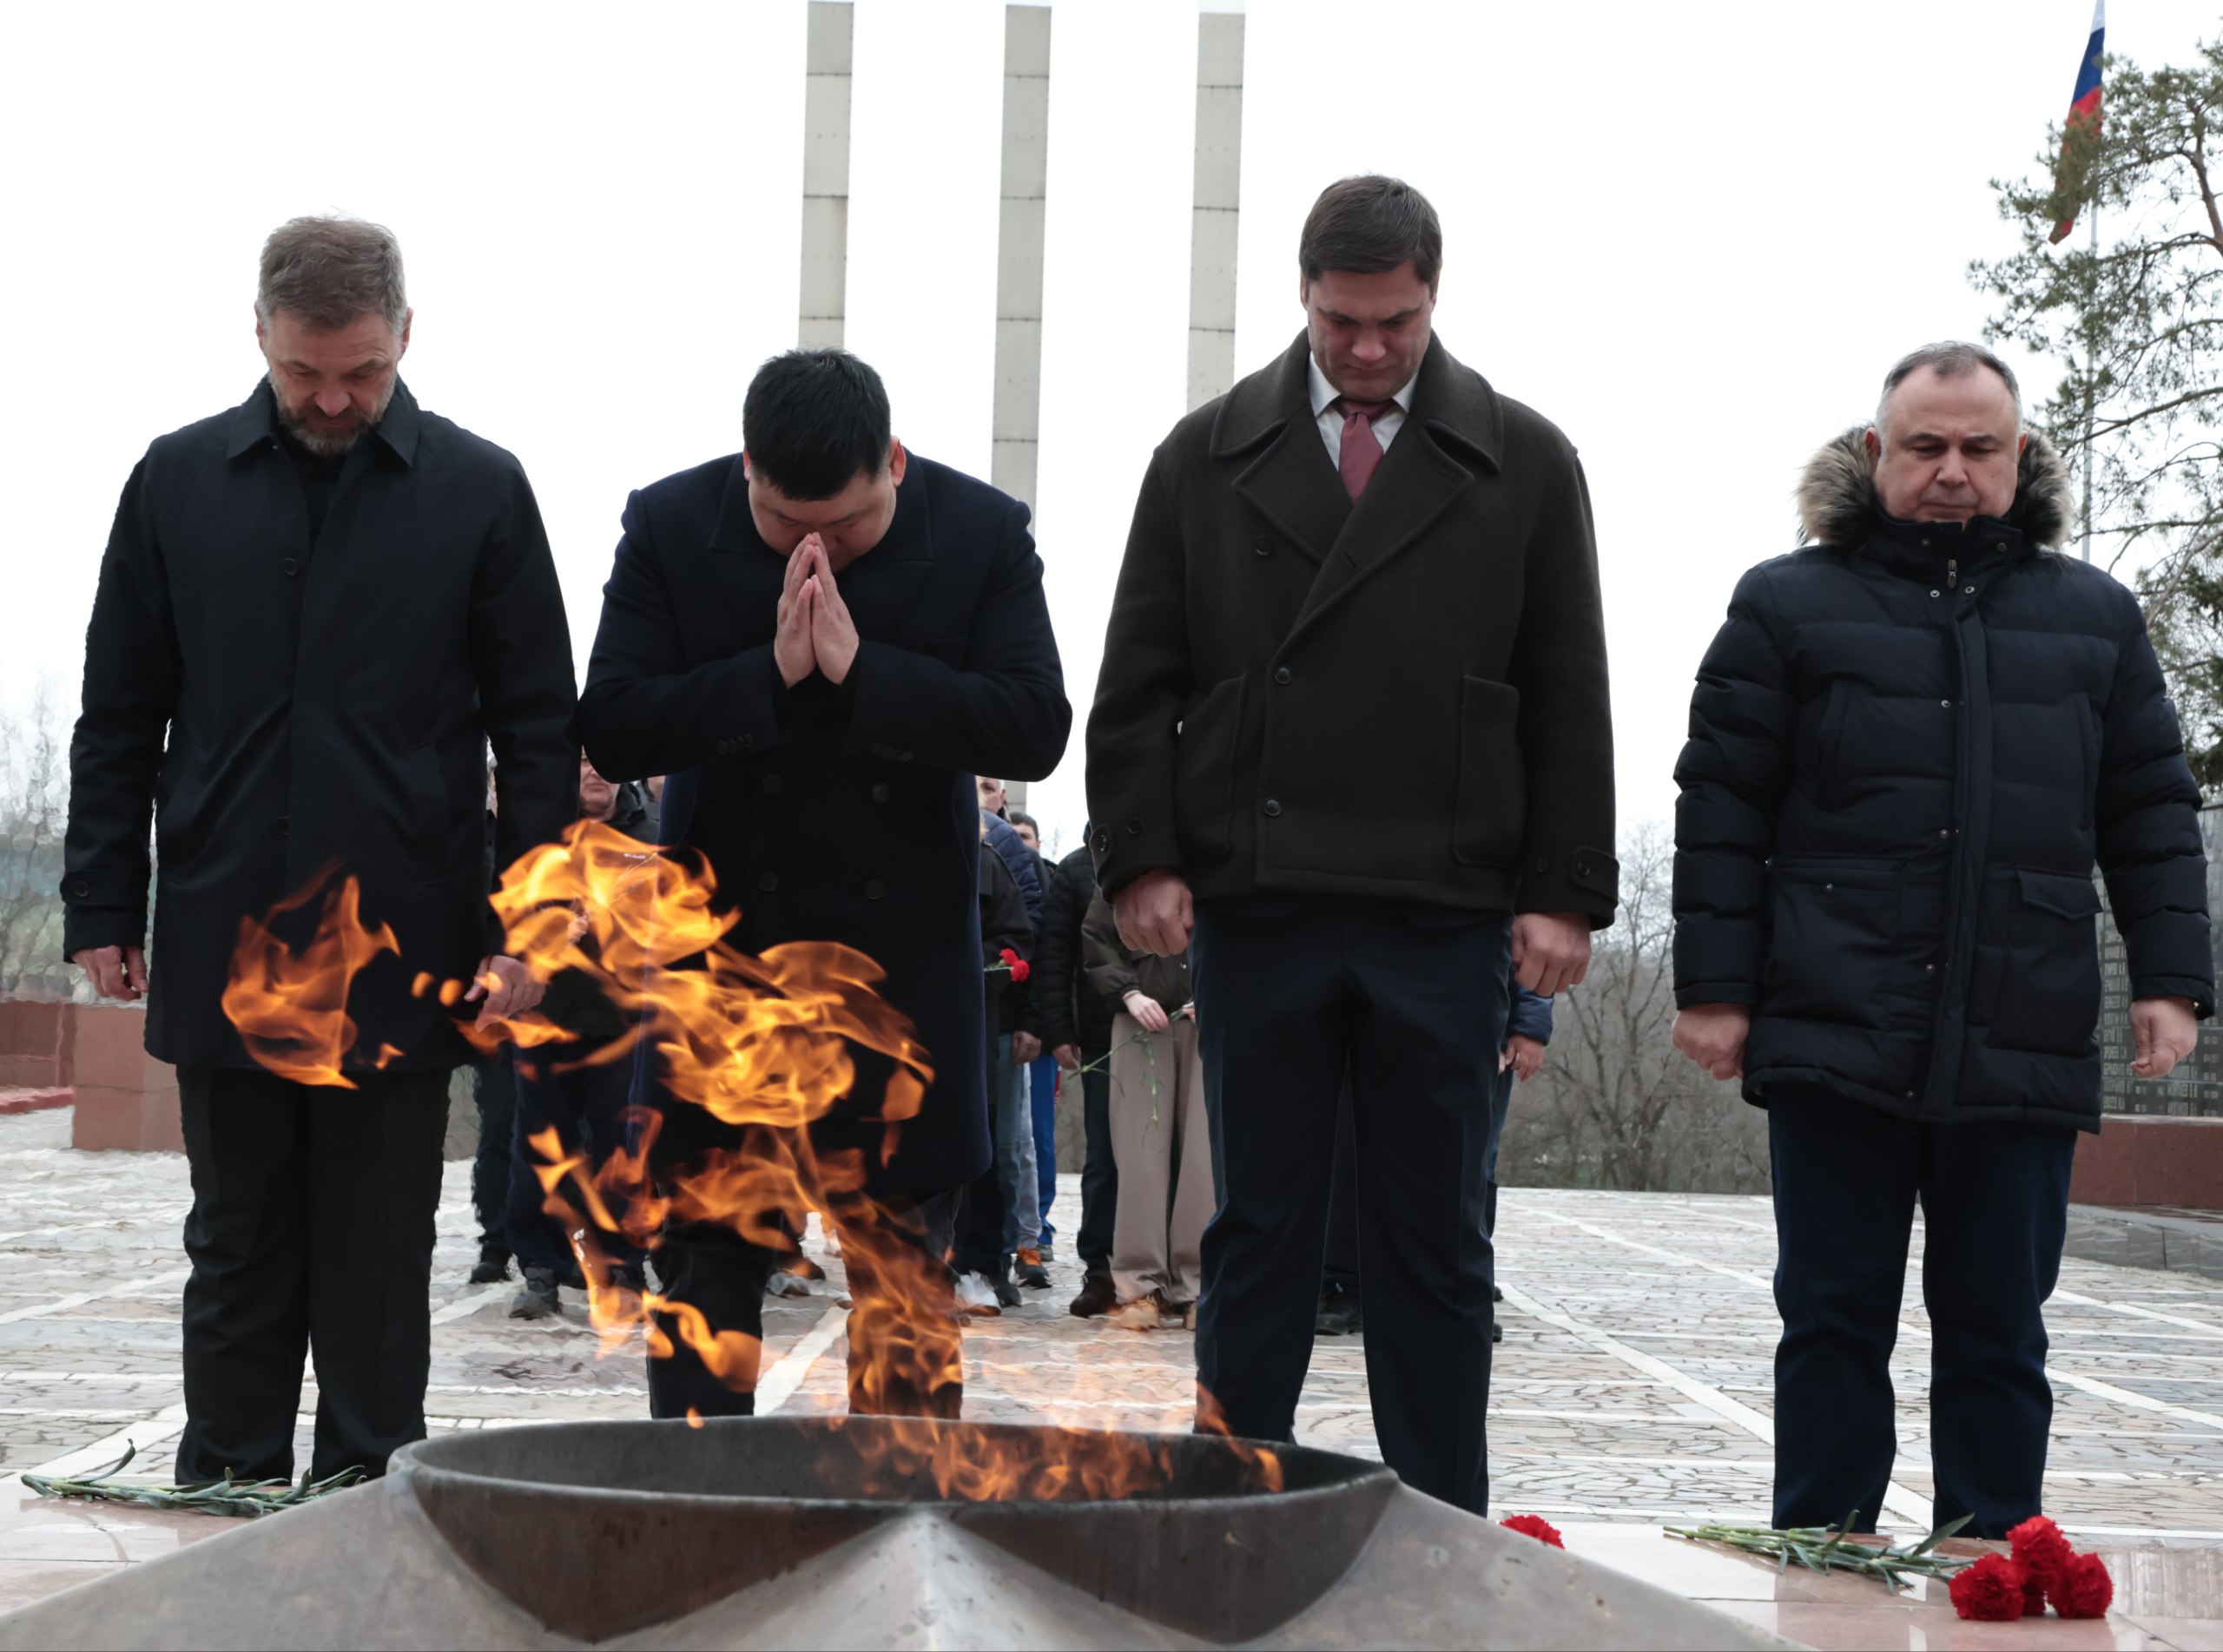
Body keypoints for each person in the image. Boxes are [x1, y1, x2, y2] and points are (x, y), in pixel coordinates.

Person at [1086, 175, 1617, 1516]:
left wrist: (1561, 891)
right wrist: (1142, 858)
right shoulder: (1204, 454)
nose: (1369, 349)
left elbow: (1569, 687)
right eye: (1342, 322)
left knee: (1433, 1237)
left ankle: (1441, 1521)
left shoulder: (1526, 458)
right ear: (1303, 298)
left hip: (1442, 903)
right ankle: (1224, 1508)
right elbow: (1140, 677)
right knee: (1256, 1225)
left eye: (1396, 321)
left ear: (1434, 295)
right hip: (1262, 902)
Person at [61, 215, 577, 1486]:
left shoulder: (482, 490)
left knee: (378, 1240)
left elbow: (538, 731)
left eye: (361, 372)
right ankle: (227, 1471)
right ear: (259, 335)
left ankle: (365, 1484)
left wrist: (534, 927)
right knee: (236, 1233)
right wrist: (98, 902)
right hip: (224, 919)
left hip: (404, 935)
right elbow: (121, 710)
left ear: (406, 334)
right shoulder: (175, 481)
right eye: (306, 374)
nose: (335, 398)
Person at [1671, 341, 2212, 1539]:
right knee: (1830, 1318)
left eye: (1979, 448)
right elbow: (1722, 804)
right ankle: (1820, 1550)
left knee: (2002, 1326)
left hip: (2020, 1029)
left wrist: (2173, 979)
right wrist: (1715, 987)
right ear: (1878, 454)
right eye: (1927, 447)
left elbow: (2150, 809)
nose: (1953, 471)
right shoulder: (1784, 602)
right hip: (1834, 1019)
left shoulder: (2097, 619)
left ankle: (1992, 1553)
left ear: (2021, 458)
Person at [578, 347, 1069, 1420]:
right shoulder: (668, 523)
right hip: (728, 962)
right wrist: (769, 677)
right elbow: (610, 721)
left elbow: (1035, 723)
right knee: (706, 1275)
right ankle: (706, 1528)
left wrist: (865, 674)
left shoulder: (981, 531)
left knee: (901, 1283)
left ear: (892, 462)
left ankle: (901, 1538)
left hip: (901, 971)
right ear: (747, 467)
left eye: (845, 527)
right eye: (781, 522)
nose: (814, 551)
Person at [1316, 985, 1552, 1342]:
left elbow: (1526, 942)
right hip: (1373, 1017)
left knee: (1469, 1166)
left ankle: (1459, 1290)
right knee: (1353, 1159)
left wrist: (1528, 1028)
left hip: (1477, 1021)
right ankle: (1350, 1289)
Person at [508, 754, 652, 1320]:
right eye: (584, 763)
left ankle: (623, 1268)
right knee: (541, 1146)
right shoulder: (542, 829)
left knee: (624, 1150)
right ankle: (539, 1269)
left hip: (622, 1022)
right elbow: (503, 906)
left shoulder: (652, 830)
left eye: (606, 764)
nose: (595, 774)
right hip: (543, 1015)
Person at [1080, 891, 1208, 1332]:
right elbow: (1096, 935)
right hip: (1138, 1019)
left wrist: (1217, 990)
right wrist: (1128, 992)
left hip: (1207, 1019)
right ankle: (1139, 1285)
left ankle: (1198, 1286)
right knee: (1139, 1155)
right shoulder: (1129, 867)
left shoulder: (1221, 858)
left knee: (1203, 1159)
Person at [953, 829, 1037, 1314]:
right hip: (896, 1034)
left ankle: (981, 1266)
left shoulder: (987, 860)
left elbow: (1018, 938)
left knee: (978, 1156)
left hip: (970, 1032)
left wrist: (971, 964)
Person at [1039, 836, 1121, 1317]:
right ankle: (1101, 1268)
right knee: (1105, 1157)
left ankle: (1174, 1270)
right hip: (1101, 1034)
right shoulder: (1075, 870)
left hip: (1177, 1023)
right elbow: (1055, 957)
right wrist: (1059, 1030)